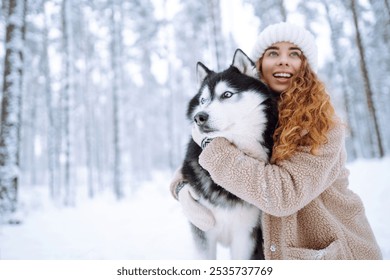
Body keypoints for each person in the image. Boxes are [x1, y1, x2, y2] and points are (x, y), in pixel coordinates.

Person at [170, 22, 382, 260]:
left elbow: (283, 195)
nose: (283, 60)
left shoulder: (321, 124)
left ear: (306, 67)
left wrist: (210, 145)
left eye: (294, 53)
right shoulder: (256, 116)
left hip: (333, 253)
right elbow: (209, 161)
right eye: (273, 53)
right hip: (274, 251)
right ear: (258, 66)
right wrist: (181, 186)